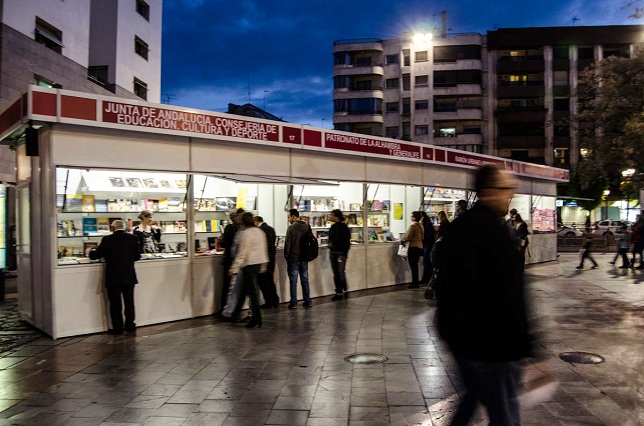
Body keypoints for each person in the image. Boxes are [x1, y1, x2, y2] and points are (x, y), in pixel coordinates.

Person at [435, 164, 532, 425]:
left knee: (473, 397)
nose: (511, 195)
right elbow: (508, 294)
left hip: (469, 340)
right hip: (491, 343)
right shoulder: (489, 232)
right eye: (506, 190)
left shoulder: (466, 227)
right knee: (505, 414)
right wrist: (525, 346)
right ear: (489, 192)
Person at [89, 220, 141, 335]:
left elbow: (96, 255)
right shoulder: (133, 238)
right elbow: (137, 256)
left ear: (112, 228)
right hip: (129, 275)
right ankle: (130, 325)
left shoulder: (107, 239)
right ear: (124, 227)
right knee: (129, 302)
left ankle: (118, 327)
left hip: (113, 276)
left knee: (115, 304)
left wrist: (91, 251)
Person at [229, 212, 268, 328]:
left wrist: (234, 267)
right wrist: (263, 265)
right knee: (246, 290)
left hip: (249, 264)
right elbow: (263, 249)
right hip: (258, 263)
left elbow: (243, 252)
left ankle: (256, 319)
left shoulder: (245, 233)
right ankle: (235, 314)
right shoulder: (259, 231)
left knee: (252, 293)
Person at [215, 208, 244, 316]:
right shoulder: (242, 229)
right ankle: (235, 310)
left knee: (227, 286)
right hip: (239, 261)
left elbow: (224, 243)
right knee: (237, 287)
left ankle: (225, 309)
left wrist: (221, 238)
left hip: (229, 260)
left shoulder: (229, 228)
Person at [284, 209, 312, 309]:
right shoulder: (307, 226)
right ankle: (307, 301)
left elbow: (288, 244)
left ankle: (294, 303)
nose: (288, 219)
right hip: (304, 257)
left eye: (289, 217)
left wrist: (286, 257)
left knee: (293, 281)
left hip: (293, 257)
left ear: (293, 216)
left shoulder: (291, 228)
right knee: (305, 279)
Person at [254, 216, 279, 308]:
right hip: (271, 258)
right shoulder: (271, 229)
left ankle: (268, 301)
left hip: (264, 259)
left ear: (256, 222)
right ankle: (275, 300)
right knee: (270, 280)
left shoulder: (260, 231)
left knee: (263, 281)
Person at [328, 209, 351, 301]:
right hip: (333, 252)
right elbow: (330, 238)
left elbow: (346, 242)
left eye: (332, 215)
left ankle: (339, 291)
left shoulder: (343, 227)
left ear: (336, 216)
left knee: (340, 272)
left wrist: (344, 254)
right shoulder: (333, 227)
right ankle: (342, 288)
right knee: (336, 273)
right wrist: (330, 244)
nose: (330, 217)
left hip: (340, 253)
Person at [402, 211, 424, 289]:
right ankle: (415, 281)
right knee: (416, 265)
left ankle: (415, 283)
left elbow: (408, 237)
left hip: (413, 247)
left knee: (413, 265)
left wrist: (402, 240)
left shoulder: (413, 226)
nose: (411, 217)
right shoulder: (421, 226)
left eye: (412, 216)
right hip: (419, 246)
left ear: (414, 217)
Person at [419, 211, 435, 285]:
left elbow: (430, 234)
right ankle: (426, 278)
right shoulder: (426, 224)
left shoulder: (427, 224)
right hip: (427, 244)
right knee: (426, 262)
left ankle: (426, 278)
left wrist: (423, 238)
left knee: (426, 262)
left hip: (428, 245)